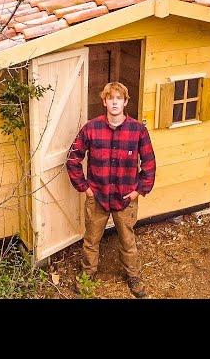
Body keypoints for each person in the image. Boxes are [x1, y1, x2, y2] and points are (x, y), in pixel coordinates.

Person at [66, 81, 156, 298]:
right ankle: (88, 275)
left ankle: (133, 275)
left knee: (128, 240)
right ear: (104, 101)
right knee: (91, 240)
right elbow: (73, 158)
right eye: (110, 98)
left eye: (119, 99)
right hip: (97, 196)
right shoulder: (91, 128)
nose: (114, 102)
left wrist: (138, 190)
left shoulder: (138, 130)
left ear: (125, 102)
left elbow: (150, 163)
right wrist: (85, 187)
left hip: (126, 197)